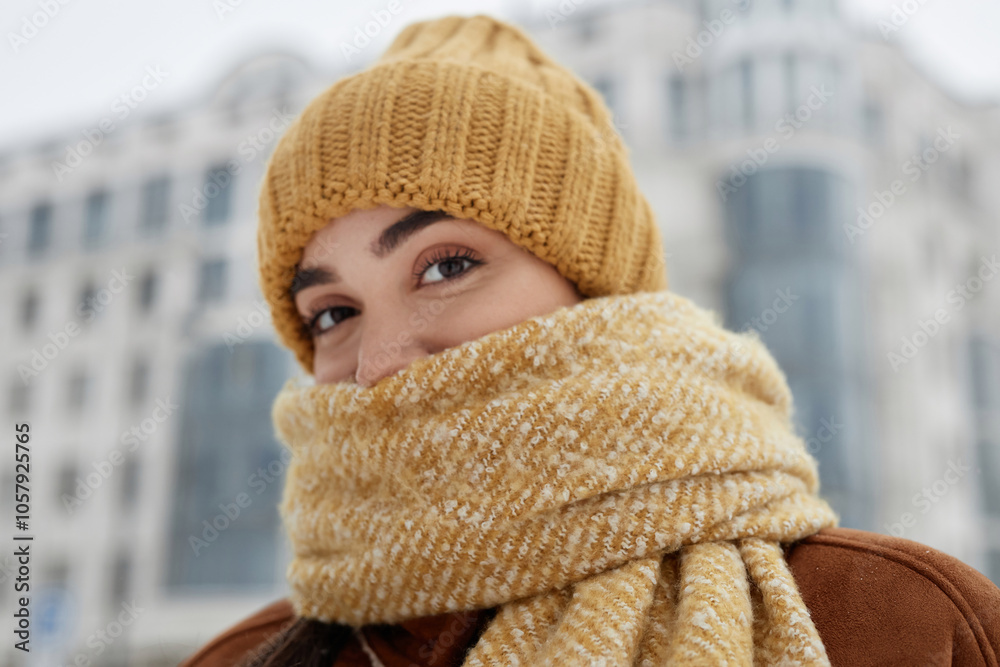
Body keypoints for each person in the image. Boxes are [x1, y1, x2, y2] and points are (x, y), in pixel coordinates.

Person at [180, 13, 1000, 667]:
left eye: (448, 265)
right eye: (332, 313)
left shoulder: (903, 622)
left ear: (597, 294)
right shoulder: (244, 657)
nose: (381, 362)